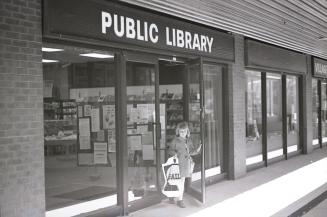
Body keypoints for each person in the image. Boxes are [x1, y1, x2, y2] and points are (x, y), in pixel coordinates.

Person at [167, 121, 202, 208]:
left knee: (181, 181)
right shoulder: (175, 140)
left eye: (185, 131)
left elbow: (191, 151)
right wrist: (174, 154)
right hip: (178, 164)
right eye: (181, 131)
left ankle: (179, 199)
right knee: (176, 180)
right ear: (178, 132)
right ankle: (175, 198)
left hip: (186, 164)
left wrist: (198, 150)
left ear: (187, 132)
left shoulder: (188, 141)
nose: (183, 133)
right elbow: (170, 150)